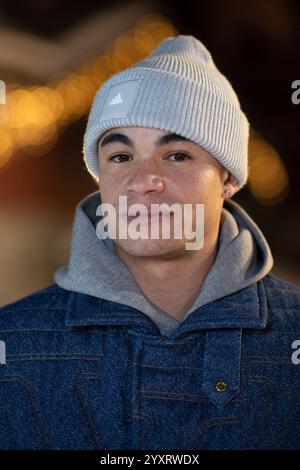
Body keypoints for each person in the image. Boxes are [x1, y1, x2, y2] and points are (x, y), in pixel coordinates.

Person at [0, 35, 300, 451]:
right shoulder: (11, 342)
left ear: (227, 179)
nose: (143, 182)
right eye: (121, 157)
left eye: (176, 154)